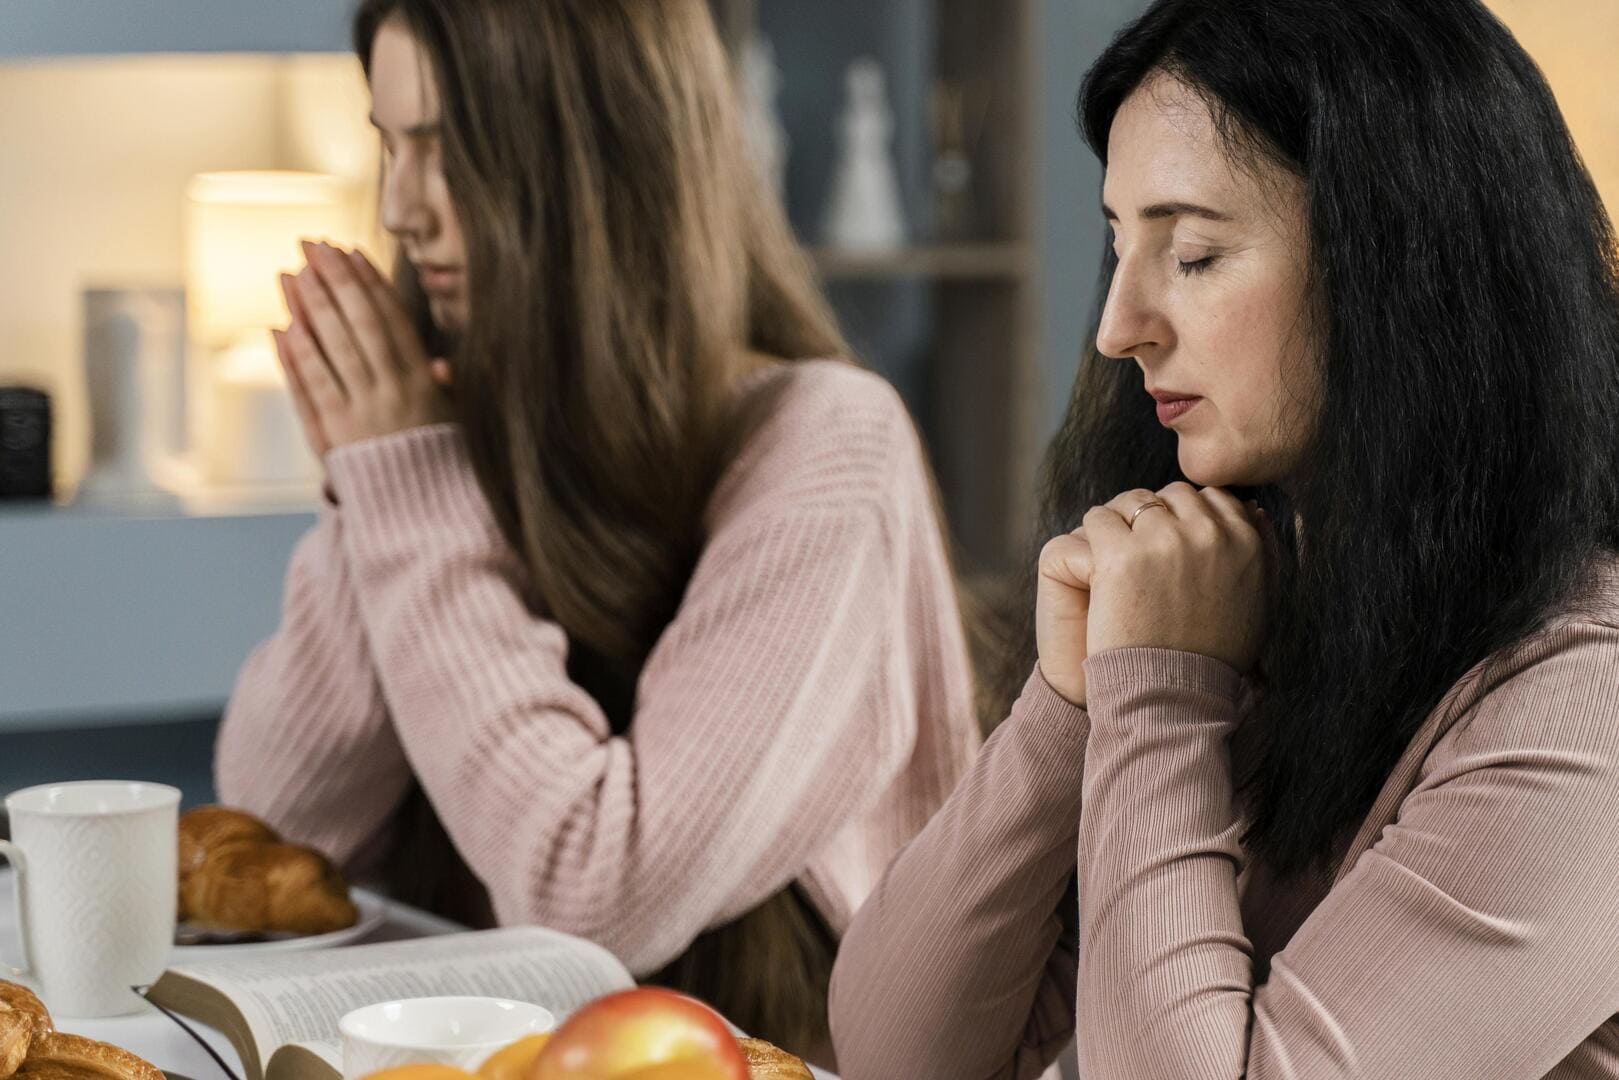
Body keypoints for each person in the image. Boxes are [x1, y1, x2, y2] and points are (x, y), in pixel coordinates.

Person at [827, 0, 1619, 1075]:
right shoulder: (1241, 580)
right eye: (1117, 244)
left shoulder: (1589, 698)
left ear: (1400, 268)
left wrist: (1157, 692)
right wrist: (1061, 715)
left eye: (1192, 254)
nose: (1116, 326)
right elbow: (894, 1057)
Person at [213, 0, 979, 1061]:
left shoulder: (828, 449)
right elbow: (284, 833)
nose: (398, 208)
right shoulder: (460, 434)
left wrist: (410, 494)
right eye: (388, 145)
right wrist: (379, 487)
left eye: (446, 150)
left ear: (592, 160)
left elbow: (593, 896)